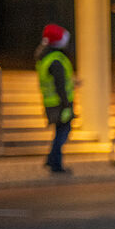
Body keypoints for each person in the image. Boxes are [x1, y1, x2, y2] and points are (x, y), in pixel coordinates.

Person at [35, 23, 75, 175]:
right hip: (59, 104)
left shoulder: (45, 57)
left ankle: (52, 159)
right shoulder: (56, 59)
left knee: (60, 131)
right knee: (63, 132)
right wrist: (66, 104)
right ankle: (55, 163)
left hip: (51, 103)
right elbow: (59, 84)